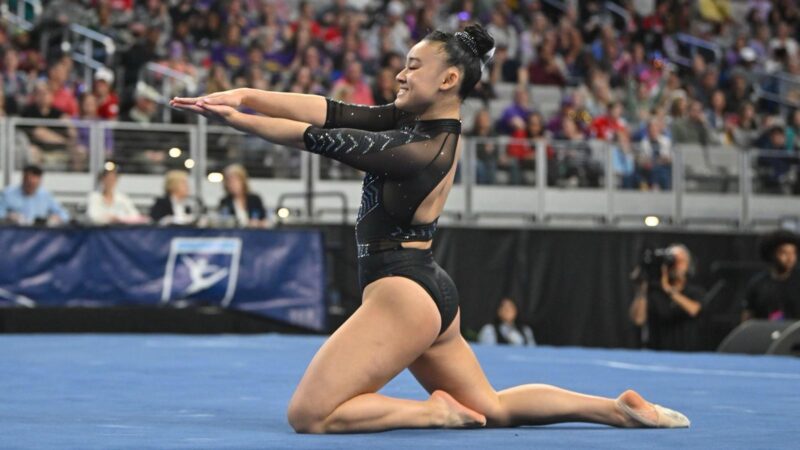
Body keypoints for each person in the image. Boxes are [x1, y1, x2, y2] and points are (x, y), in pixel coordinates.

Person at [172, 23, 688, 433]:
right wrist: (244, 95)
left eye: (413, 66)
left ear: (449, 81)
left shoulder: (420, 149)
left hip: (403, 293)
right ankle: (614, 409)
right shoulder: (414, 127)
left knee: (309, 415)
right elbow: (328, 110)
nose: (400, 74)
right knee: (493, 408)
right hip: (425, 289)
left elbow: (314, 136)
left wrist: (236, 119)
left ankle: (434, 413)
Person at [629, 244, 705, 351]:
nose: (676, 265)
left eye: (680, 261)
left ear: (689, 265)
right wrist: (641, 289)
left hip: (688, 354)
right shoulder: (654, 292)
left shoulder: (695, 291)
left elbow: (694, 310)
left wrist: (668, 289)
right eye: (672, 261)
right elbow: (638, 320)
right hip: (658, 353)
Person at [742, 230, 800, 321]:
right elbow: (748, 317)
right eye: (784, 253)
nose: (790, 258)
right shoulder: (758, 284)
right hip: (765, 333)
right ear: (772, 254)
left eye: (793, 253)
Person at [0, 165, 70, 225]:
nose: (30, 187)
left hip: (38, 235)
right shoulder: (8, 194)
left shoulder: (45, 195)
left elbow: (64, 215)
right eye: (28, 183)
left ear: (40, 181)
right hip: (14, 235)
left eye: (34, 184)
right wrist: (8, 217)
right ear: (23, 179)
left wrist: (56, 218)